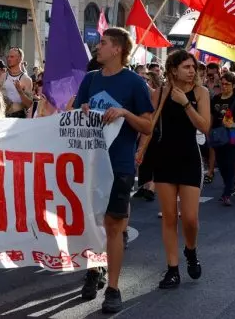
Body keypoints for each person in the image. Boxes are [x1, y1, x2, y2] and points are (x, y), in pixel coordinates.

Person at [75, 27, 153, 314]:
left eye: (103, 43)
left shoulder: (134, 83)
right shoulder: (90, 79)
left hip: (118, 165)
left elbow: (147, 126)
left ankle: (114, 287)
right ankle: (96, 268)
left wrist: (124, 113)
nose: (98, 47)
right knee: (90, 224)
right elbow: (75, 114)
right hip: (90, 164)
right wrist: (81, 111)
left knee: (113, 226)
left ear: (118, 49)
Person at [140, 50, 210, 289]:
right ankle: (172, 269)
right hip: (164, 158)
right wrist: (140, 151)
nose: (192, 71)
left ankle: (190, 250)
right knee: (169, 217)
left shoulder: (201, 93)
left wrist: (186, 104)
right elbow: (148, 125)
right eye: (186, 67)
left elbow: (205, 126)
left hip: (189, 157)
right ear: (173, 70)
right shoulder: (159, 94)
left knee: (190, 218)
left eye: (193, 67)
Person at [210, 72, 235, 206]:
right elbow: (211, 118)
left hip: (233, 135)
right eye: (222, 84)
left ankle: (227, 193)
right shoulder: (215, 99)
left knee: (231, 162)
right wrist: (207, 131)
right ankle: (231, 185)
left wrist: (233, 124)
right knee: (221, 164)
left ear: (233, 85)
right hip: (218, 135)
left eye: (227, 84)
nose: (224, 86)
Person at [2, 48, 33, 118]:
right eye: (8, 57)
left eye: (12, 57)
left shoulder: (26, 79)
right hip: (3, 116)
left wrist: (20, 91)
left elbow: (29, 105)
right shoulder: (3, 76)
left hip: (18, 117)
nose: (9, 59)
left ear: (19, 59)